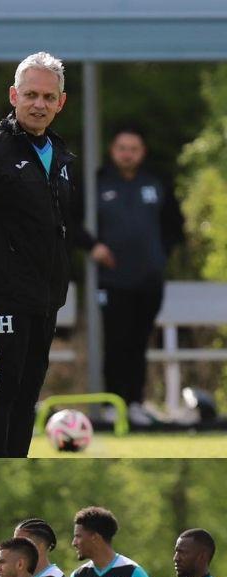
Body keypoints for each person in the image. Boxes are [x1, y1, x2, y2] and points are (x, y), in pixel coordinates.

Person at [0, 51, 104, 458]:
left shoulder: (61, 156)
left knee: (28, 390)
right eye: (31, 95)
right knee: (2, 381)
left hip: (45, 297)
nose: (39, 104)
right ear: (14, 96)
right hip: (2, 292)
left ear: (61, 102)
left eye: (48, 97)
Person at [94, 126, 186, 426]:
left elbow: (174, 226)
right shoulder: (97, 183)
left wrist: (159, 255)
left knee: (138, 342)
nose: (127, 154)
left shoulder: (156, 183)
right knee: (115, 341)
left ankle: (135, 402)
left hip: (148, 280)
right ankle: (111, 403)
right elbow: (73, 221)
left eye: (133, 149)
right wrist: (92, 245)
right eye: (122, 148)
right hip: (111, 280)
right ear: (113, 150)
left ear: (142, 152)